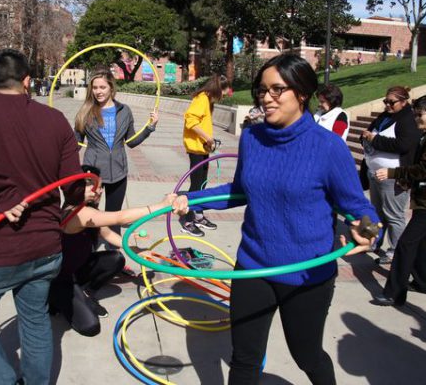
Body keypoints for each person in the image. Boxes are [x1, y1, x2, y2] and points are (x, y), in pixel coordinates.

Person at [172, 54, 379, 385]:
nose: (265, 98)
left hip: (307, 274)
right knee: (244, 358)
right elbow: (240, 191)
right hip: (254, 265)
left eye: (276, 89)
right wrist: (189, 198)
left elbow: (359, 208)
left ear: (302, 92)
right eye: (261, 90)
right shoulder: (253, 139)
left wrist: (367, 230)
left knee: (306, 354)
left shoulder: (328, 148)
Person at [0, 49, 94, 385]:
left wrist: (3, 192)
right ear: (28, 82)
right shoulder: (54, 119)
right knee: (35, 318)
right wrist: (81, 194)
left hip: (1, 248)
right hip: (46, 248)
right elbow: (72, 183)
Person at [49, 166, 176, 335]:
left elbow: (108, 234)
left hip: (79, 269)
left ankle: (86, 292)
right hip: (61, 279)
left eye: (100, 186)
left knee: (116, 258)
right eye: (91, 186)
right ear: (76, 188)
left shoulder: (90, 210)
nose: (98, 190)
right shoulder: (77, 212)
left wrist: (136, 251)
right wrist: (161, 206)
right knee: (91, 327)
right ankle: (57, 300)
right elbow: (120, 217)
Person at [74, 67, 158, 236]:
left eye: (102, 87)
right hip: (93, 172)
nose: (98, 92)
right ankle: (87, 250)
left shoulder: (124, 111)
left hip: (119, 171)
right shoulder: (85, 112)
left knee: (115, 216)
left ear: (111, 88)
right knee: (90, 217)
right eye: (95, 88)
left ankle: (114, 254)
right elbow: (75, 144)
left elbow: (132, 141)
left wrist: (150, 127)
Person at [373, 95, 426, 305]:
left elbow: (423, 169)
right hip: (421, 200)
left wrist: (393, 173)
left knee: (405, 244)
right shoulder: (423, 136)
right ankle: (422, 282)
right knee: (421, 244)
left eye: (420, 114)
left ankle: (394, 292)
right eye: (415, 114)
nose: (416, 119)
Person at [361, 86, 421, 264]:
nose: (387, 105)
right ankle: (373, 240)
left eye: (391, 102)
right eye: (385, 101)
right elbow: (369, 132)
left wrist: (374, 140)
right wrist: (366, 137)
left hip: (394, 177)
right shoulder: (385, 116)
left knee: (393, 215)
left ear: (404, 102)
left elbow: (404, 145)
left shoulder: (408, 120)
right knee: (376, 211)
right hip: (374, 173)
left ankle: (395, 250)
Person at [180, 74, 231, 237]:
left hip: (202, 149)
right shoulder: (202, 99)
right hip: (196, 149)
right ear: (218, 88)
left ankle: (198, 216)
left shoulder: (207, 101)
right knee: (196, 185)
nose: (224, 95)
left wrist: (209, 141)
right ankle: (188, 221)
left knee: (201, 184)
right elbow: (191, 121)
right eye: (224, 91)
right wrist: (208, 138)